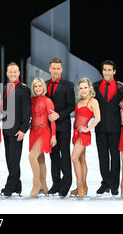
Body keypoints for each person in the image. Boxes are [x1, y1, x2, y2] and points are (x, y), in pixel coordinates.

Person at [93, 60, 123, 196]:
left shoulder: (122, 89)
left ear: (114, 72)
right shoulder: (95, 87)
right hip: (100, 127)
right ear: (102, 71)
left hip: (115, 128)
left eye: (109, 70)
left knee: (115, 157)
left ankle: (114, 184)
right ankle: (105, 183)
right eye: (105, 70)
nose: (107, 72)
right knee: (102, 157)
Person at [45, 58, 75, 197]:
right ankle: (56, 183)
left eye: (58, 68)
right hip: (48, 127)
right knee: (53, 156)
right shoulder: (44, 84)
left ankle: (66, 182)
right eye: (53, 68)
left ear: (61, 70)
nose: (55, 70)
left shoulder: (68, 85)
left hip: (63, 126)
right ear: (49, 69)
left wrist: (59, 115)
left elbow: (71, 106)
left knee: (64, 155)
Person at [1, 62, 31, 197]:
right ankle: (17, 186)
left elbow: (27, 112)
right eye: (10, 72)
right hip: (6, 129)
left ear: (19, 73)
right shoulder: (5, 89)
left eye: (15, 71)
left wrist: (24, 130)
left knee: (14, 159)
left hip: (17, 130)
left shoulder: (24, 90)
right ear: (7, 73)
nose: (12, 74)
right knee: (9, 159)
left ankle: (9, 186)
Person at [70, 78, 101, 198]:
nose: (83, 90)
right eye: (81, 88)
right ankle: (83, 186)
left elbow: (98, 118)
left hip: (83, 134)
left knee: (74, 157)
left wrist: (88, 129)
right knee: (81, 160)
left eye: (85, 88)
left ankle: (80, 185)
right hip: (76, 132)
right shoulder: (80, 101)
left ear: (90, 88)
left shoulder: (93, 101)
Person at [29, 78, 56, 197]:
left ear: (43, 87)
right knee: (40, 159)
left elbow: (53, 120)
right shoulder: (31, 99)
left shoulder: (47, 101)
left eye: (40, 86)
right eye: (35, 86)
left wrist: (54, 136)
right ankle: (44, 186)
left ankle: (36, 184)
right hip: (33, 132)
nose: (38, 88)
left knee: (32, 157)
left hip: (44, 132)